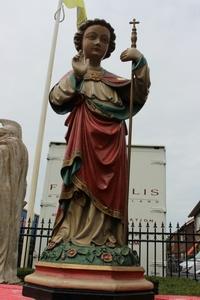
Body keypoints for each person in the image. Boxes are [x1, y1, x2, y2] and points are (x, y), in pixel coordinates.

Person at [48, 19, 150, 249]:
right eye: (92, 37)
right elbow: (56, 100)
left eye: (104, 40)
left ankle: (108, 237)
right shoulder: (75, 75)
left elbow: (138, 95)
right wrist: (77, 76)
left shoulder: (113, 81)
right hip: (83, 143)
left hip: (111, 146)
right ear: (80, 42)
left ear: (109, 48)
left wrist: (140, 63)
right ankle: (71, 234)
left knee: (111, 192)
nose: (98, 42)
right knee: (78, 188)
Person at [0, 119, 28, 283]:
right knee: (8, 234)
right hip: (14, 201)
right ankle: (7, 270)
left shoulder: (4, 149)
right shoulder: (21, 150)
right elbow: (23, 182)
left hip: (5, 198)